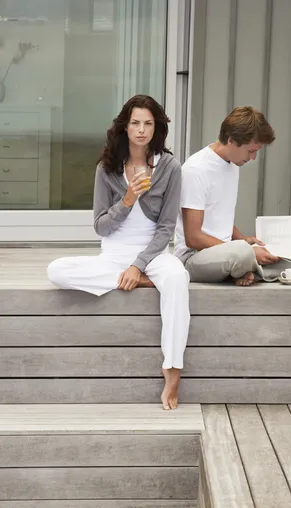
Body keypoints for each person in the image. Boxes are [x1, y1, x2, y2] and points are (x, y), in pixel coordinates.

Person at [47, 95, 190, 410]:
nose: (141, 130)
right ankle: (133, 279)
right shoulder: (107, 168)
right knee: (55, 270)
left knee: (178, 277)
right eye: (135, 123)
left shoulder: (170, 167)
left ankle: (173, 368)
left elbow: (166, 229)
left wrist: (139, 266)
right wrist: (126, 200)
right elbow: (100, 227)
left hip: (152, 252)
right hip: (114, 252)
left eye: (148, 123)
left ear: (157, 127)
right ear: (125, 126)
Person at [174, 106, 291, 285]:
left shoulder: (232, 164)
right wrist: (246, 250)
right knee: (241, 254)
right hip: (194, 258)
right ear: (231, 141)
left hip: (226, 252)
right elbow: (193, 237)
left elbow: (217, 214)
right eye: (251, 151)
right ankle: (247, 269)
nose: (254, 157)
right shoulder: (196, 170)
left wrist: (244, 240)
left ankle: (245, 271)